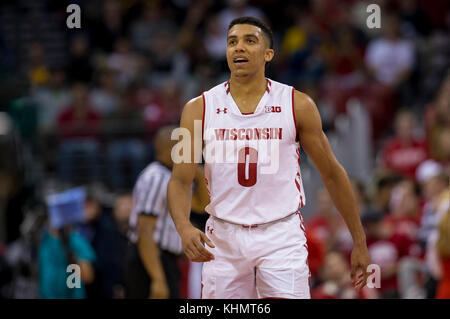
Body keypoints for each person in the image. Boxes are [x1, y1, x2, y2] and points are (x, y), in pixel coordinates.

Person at [167, 16, 370, 299]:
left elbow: (332, 173)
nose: (239, 48)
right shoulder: (196, 109)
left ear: (268, 54)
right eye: (232, 42)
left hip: (281, 234)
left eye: (250, 41)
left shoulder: (297, 104)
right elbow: (179, 180)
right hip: (223, 237)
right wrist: (184, 227)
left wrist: (359, 239)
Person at [127, 125, 208, 299]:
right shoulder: (155, 178)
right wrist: (157, 279)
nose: (190, 150)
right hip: (150, 261)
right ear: (172, 148)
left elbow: (202, 206)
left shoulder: (176, 178)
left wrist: (199, 172)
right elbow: (145, 231)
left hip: (169, 260)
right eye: (185, 145)